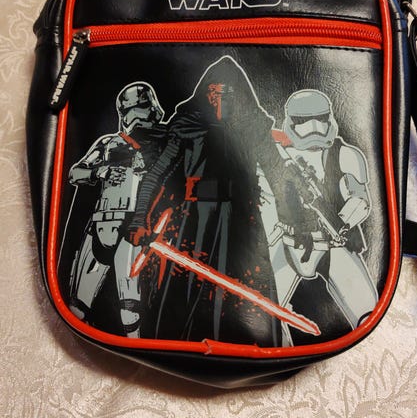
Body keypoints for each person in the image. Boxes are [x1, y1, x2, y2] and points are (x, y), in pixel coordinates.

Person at [127, 56, 309, 346]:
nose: (221, 102)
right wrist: (139, 219)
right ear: (206, 94)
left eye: (228, 94)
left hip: (241, 223)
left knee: (245, 302)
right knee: (184, 297)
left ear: (239, 96)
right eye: (215, 93)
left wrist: (297, 221)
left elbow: (278, 173)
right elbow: (156, 174)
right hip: (194, 221)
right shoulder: (188, 125)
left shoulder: (252, 127)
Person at [258, 89, 378, 344]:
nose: (314, 128)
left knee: (366, 310)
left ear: (329, 118)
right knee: (263, 311)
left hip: (333, 242)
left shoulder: (345, 154)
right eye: (304, 121)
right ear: (291, 122)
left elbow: (360, 199)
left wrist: (342, 222)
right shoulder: (277, 152)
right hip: (288, 241)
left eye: (320, 119)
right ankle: (278, 353)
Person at [68, 82, 166, 337]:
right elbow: (75, 173)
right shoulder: (108, 142)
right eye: (138, 108)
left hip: (134, 229)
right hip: (101, 223)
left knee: (130, 308)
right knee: (78, 305)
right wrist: (100, 171)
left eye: (144, 107)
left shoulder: (166, 141)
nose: (143, 114)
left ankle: (137, 346)